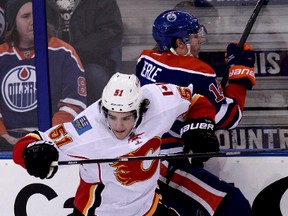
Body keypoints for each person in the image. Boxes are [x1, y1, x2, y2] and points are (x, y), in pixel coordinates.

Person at [13, 72, 219, 215]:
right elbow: (28, 145)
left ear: (140, 109)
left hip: (148, 209)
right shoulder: (87, 129)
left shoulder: (159, 100)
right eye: (112, 117)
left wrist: (199, 127)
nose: (118, 126)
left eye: (126, 118)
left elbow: (195, 101)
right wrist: (34, 154)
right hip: (98, 213)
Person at [136, 10, 255, 215]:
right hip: (162, 164)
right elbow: (231, 116)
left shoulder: (145, 60)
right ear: (179, 43)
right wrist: (239, 71)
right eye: (193, 36)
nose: (199, 40)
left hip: (142, 158)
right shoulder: (196, 71)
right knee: (232, 205)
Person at [0, 0, 87, 151]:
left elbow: (74, 102)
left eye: (37, 15)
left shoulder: (64, 52)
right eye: (25, 16)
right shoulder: (2, 54)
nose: (33, 21)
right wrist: (3, 135)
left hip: (52, 138)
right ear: (14, 21)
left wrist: (52, 136)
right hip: (7, 139)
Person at [45, 0, 123, 105]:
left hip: (89, 60)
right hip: (49, 58)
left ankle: (98, 118)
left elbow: (111, 32)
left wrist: (73, 53)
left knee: (95, 79)